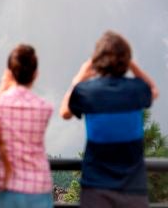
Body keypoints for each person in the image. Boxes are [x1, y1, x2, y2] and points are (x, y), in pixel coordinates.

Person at [60, 31, 159, 208]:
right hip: (133, 189)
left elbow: (65, 112)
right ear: (126, 60)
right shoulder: (136, 89)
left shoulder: (86, 91)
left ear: (97, 61)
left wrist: (78, 79)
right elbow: (154, 90)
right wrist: (132, 66)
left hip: (95, 188)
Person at [0, 44, 54, 208]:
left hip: (0, 187)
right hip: (36, 188)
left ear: (9, 73)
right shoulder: (45, 107)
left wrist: (2, 86)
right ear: (35, 74)